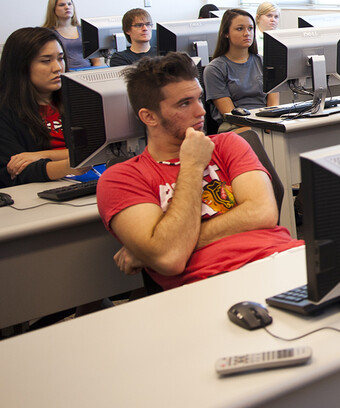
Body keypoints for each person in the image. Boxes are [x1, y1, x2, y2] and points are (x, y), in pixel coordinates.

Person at [96, 52, 301, 290]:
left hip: (284, 258)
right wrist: (192, 165)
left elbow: (262, 213)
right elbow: (170, 258)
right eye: (185, 103)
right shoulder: (122, 178)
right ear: (149, 116)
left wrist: (153, 250)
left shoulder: (227, 144)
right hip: (213, 284)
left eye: (199, 99)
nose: (201, 111)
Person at [0, 27, 89, 187]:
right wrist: (70, 165)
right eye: (45, 61)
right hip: (36, 197)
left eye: (60, 58)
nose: (57, 67)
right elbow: (13, 170)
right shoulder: (5, 112)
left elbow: (99, 150)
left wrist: (41, 155)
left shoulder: (77, 100)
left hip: (85, 184)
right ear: (21, 66)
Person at [203, 9, 279, 133]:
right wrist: (261, 129)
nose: (247, 33)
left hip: (266, 123)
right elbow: (230, 114)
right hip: (236, 127)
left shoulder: (264, 62)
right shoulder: (215, 69)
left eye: (250, 28)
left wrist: (271, 125)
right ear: (226, 33)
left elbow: (273, 104)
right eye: (240, 29)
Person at [42, 0, 104, 69]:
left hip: (88, 72)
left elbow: (96, 61)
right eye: (61, 5)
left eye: (69, 4)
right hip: (64, 73)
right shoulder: (47, 33)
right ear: (53, 9)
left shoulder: (84, 30)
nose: (67, 7)